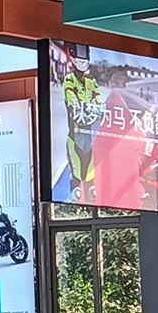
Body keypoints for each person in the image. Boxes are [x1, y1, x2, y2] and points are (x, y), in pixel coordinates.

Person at [63, 55, 102, 204]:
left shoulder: (91, 82)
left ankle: (92, 203)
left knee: (91, 177)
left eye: (83, 72)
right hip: (74, 137)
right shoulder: (69, 80)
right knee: (76, 177)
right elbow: (70, 98)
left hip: (88, 139)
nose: (81, 75)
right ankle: (75, 202)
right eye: (79, 72)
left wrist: (98, 107)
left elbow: (98, 96)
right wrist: (78, 108)